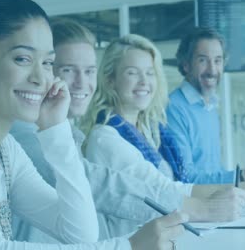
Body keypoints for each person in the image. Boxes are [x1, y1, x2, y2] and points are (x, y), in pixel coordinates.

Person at [0, 0, 186, 249]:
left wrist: (55, 128)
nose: (41, 78)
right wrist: (128, 246)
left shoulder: (6, 151)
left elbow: (80, 234)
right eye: (22, 59)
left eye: (48, 62)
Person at [82, 34, 245, 239]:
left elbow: (179, 187)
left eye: (149, 73)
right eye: (132, 73)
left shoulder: (149, 131)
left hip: (170, 237)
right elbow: (164, 192)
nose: (144, 81)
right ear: (110, 80)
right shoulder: (106, 139)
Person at [10, 18, 185, 242]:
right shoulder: (27, 134)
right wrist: (185, 204)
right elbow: (98, 185)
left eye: (89, 71)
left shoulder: (71, 133)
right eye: (68, 70)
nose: (82, 83)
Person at [166, 27, 234, 184]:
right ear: (186, 65)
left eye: (217, 61)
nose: (212, 70)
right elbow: (186, 178)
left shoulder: (209, 106)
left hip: (214, 203)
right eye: (203, 60)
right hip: (192, 206)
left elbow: (214, 170)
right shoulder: (173, 108)